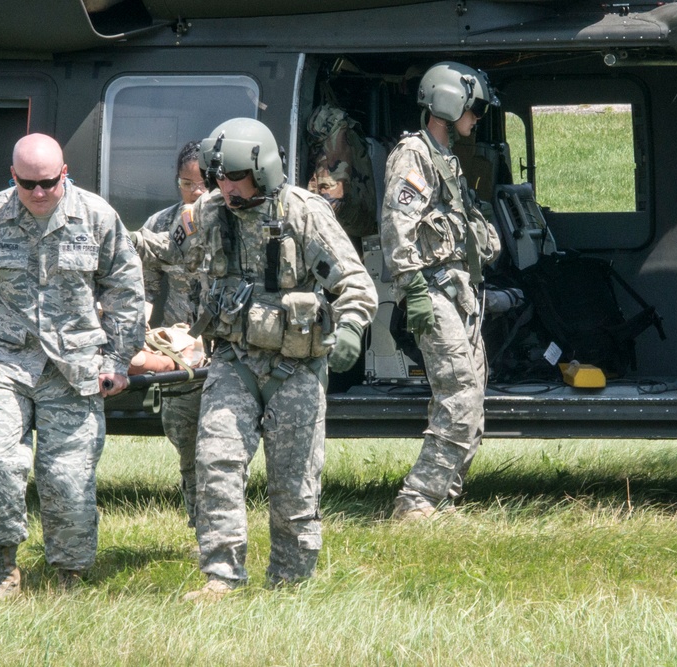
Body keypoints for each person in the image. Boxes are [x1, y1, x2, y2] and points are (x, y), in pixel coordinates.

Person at [149, 117, 378, 601]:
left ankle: (290, 581)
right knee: (216, 462)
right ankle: (222, 576)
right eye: (220, 179)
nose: (227, 189)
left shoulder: (304, 214)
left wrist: (352, 328)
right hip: (234, 361)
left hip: (296, 368)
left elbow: (355, 284)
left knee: (293, 484)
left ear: (265, 170)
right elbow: (164, 250)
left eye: (236, 178)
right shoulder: (210, 213)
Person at [0, 133, 146, 599]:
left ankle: (68, 577)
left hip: (72, 367)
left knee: (67, 478)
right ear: (13, 176)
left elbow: (126, 292)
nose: (40, 192)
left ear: (64, 173)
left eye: (49, 182)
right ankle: (5, 569)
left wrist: (117, 360)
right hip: (3, 360)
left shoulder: (96, 216)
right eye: (28, 183)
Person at [380, 62, 501, 521]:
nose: (477, 117)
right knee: (460, 394)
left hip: (459, 291)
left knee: (472, 395)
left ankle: (443, 497)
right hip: (431, 291)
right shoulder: (413, 155)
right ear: (450, 104)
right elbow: (397, 228)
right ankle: (418, 501)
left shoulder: (444, 157)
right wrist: (412, 291)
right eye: (474, 108)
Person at [129, 140, 206, 529]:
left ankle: (218, 521)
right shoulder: (161, 226)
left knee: (222, 445)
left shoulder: (234, 223)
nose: (196, 193)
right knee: (187, 442)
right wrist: (138, 337)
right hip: (181, 356)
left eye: (204, 183)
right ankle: (199, 517)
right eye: (186, 183)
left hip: (226, 352)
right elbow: (142, 288)